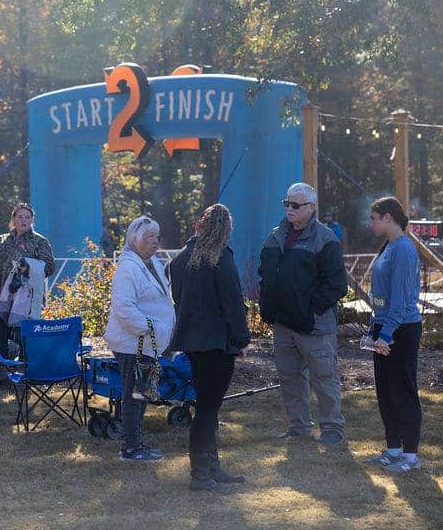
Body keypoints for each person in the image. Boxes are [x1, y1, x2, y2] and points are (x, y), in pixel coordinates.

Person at [259, 182, 349, 445]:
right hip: (283, 324)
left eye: (296, 205)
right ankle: (299, 426)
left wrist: (311, 312)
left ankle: (332, 429)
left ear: (311, 207)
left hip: (315, 326)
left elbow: (336, 285)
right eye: (287, 203)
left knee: (324, 378)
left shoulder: (325, 239)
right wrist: (269, 306)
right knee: (289, 377)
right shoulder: (275, 236)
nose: (290, 209)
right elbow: (265, 275)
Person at [169, 204, 250, 491]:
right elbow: (233, 305)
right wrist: (241, 340)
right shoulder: (221, 259)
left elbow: (178, 300)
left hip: (193, 342)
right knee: (207, 409)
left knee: (207, 406)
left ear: (199, 226)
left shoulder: (180, 260)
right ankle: (201, 473)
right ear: (226, 230)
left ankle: (210, 467)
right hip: (216, 343)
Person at [103, 216, 175, 462]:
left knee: (141, 394)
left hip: (146, 343)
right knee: (134, 395)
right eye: (148, 237)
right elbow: (124, 309)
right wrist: (150, 327)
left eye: (156, 236)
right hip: (133, 343)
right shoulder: (128, 268)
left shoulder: (151, 263)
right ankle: (130, 448)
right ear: (134, 240)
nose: (154, 241)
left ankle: (135, 443)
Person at [363, 196, 423, 473]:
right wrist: (372, 330)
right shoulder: (388, 246)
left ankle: (410, 457)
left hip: (401, 329)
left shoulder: (404, 249)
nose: (371, 223)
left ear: (388, 217)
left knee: (403, 392)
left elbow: (399, 300)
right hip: (383, 328)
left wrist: (386, 335)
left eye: (374, 218)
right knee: (386, 392)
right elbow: (381, 298)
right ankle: (393, 450)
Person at [0, 203, 56, 389]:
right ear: (13, 219)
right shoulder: (3, 240)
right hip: (0, 296)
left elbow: (49, 266)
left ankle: (28, 373)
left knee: (25, 338)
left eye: (27, 217)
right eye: (20, 217)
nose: (23, 220)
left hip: (25, 298)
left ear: (32, 220)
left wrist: (27, 268)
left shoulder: (39, 241)